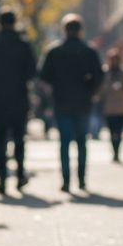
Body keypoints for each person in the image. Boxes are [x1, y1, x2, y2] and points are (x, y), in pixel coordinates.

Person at [38, 14, 103, 192]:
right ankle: (82, 180)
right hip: (83, 103)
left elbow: (43, 76)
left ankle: (66, 180)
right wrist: (90, 91)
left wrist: (55, 89)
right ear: (80, 30)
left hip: (61, 102)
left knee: (64, 143)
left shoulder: (54, 51)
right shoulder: (89, 51)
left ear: (64, 30)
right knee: (82, 142)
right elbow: (99, 75)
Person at [0, 11, 37, 194]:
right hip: (18, 99)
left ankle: (2, 178)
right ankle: (20, 175)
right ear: (15, 22)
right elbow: (32, 72)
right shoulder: (23, 46)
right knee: (19, 139)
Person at [100, 49, 123, 162]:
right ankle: (114, 151)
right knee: (111, 131)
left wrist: (122, 91)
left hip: (121, 107)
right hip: (109, 108)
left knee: (118, 131)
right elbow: (101, 89)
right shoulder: (105, 72)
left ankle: (117, 152)